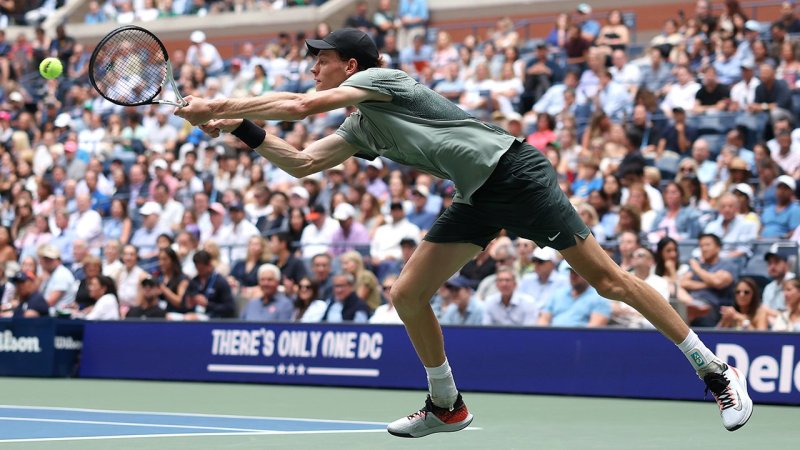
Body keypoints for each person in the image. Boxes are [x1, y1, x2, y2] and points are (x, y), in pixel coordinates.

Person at [177, 28, 752, 437]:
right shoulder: (361, 127)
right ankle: (446, 404)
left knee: (609, 282)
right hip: (477, 195)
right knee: (407, 294)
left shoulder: (383, 79)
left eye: (320, 60)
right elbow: (303, 162)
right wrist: (241, 127)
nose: (312, 68)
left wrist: (217, 102)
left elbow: (303, 105)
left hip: (515, 173)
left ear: (350, 66)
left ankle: (715, 369)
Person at [680, 233, 737, 327]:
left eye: (707, 245)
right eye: (701, 246)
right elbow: (683, 283)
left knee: (701, 311)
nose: (704, 249)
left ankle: (696, 308)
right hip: (691, 301)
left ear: (718, 247)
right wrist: (709, 282)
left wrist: (697, 269)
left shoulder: (727, 265)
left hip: (714, 307)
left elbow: (718, 282)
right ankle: (694, 305)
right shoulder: (699, 265)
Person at [537, 263, 611, 327]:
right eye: (571, 272)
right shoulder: (558, 293)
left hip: (580, 338)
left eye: (576, 272)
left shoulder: (599, 298)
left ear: (588, 274)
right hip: (552, 336)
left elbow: (594, 329)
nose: (573, 276)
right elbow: (543, 319)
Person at [519, 246, 567, 311]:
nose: (536, 264)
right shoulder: (526, 279)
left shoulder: (563, 282)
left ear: (552, 263)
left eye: (540, 261)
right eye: (534, 261)